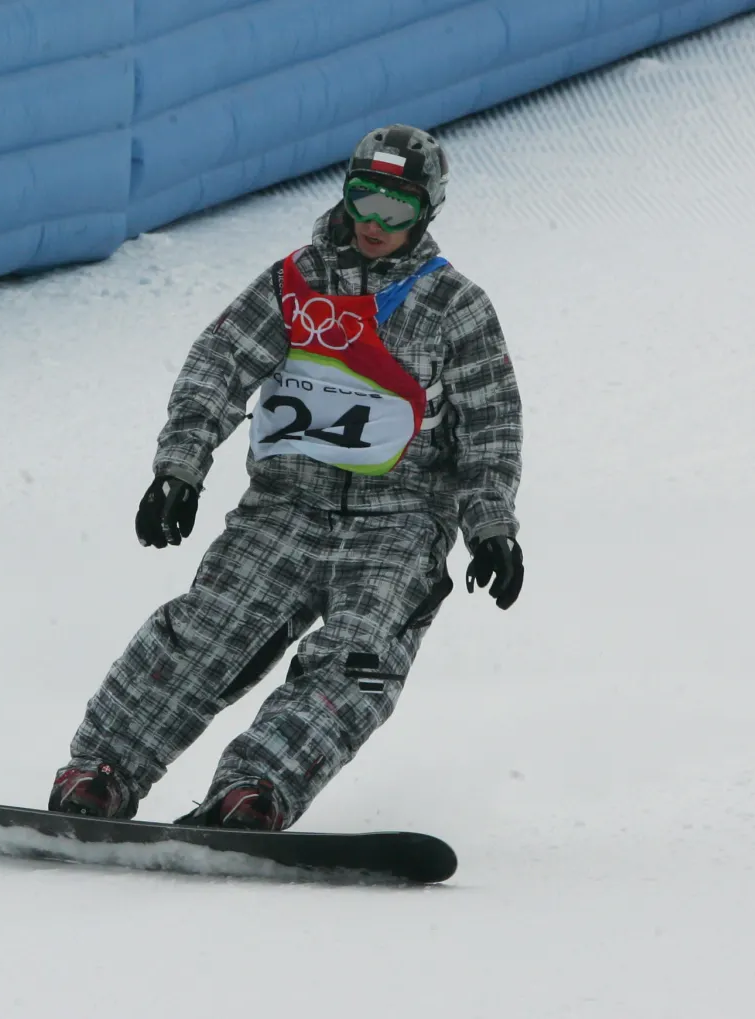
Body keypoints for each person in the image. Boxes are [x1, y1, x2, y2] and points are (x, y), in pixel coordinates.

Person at [47, 124, 524, 829]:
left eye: (396, 209)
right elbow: (220, 362)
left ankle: (256, 787)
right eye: (364, 200)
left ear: (427, 212)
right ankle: (102, 770)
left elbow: (490, 425)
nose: (374, 224)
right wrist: (181, 466)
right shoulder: (295, 283)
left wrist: (490, 526)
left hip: (399, 522)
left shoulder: (454, 307)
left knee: (357, 657)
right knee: (206, 631)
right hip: (284, 507)